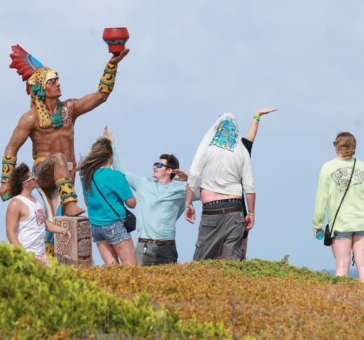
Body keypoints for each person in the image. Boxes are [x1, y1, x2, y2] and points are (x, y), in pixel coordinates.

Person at [0, 44, 131, 219]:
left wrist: (112, 65)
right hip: (44, 170)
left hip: (68, 170)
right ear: (42, 88)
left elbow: (100, 96)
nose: (58, 84)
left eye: (57, 80)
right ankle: (70, 204)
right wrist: (5, 181)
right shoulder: (31, 117)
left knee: (58, 221)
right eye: (52, 82)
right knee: (59, 158)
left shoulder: (69, 108)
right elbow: (11, 148)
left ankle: (58, 225)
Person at [184, 112, 268, 261]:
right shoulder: (241, 150)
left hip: (211, 210)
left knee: (202, 263)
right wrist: (251, 213)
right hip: (235, 211)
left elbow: (194, 175)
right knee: (231, 265)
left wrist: (188, 204)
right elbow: (249, 185)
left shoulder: (206, 148)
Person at [103, 127, 189, 265]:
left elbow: (205, 190)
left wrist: (188, 179)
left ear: (169, 171)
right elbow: (121, 172)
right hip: (144, 247)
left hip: (167, 247)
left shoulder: (180, 190)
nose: (155, 166)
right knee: (139, 278)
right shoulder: (143, 183)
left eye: (159, 165)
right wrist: (111, 145)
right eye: (155, 164)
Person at [313, 132, 364, 281]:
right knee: (363, 264)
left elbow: (322, 198)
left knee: (342, 264)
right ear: (354, 147)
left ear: (337, 146)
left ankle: (342, 295)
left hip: (341, 221)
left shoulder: (328, 167)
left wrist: (318, 223)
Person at [77, 136, 137, 266]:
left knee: (111, 266)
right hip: (114, 224)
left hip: (96, 226)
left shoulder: (86, 176)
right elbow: (132, 203)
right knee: (130, 267)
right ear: (110, 155)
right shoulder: (115, 176)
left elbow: (87, 202)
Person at [5, 163, 71, 265]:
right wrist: (22, 255)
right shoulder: (16, 204)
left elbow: (43, 222)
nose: (36, 178)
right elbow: (10, 233)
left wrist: (63, 230)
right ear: (26, 184)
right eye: (32, 177)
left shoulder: (35, 200)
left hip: (41, 255)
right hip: (27, 256)